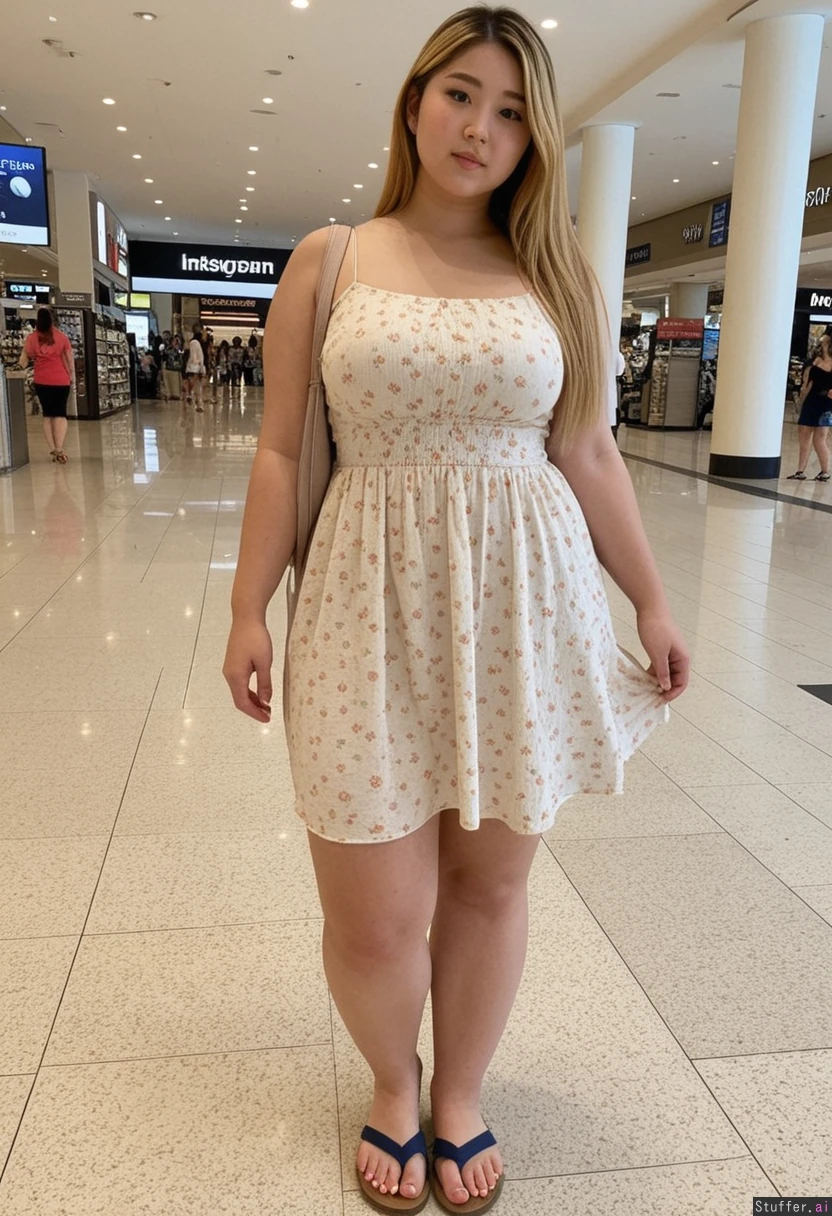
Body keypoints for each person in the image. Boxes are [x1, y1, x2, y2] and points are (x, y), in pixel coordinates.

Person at [222, 8, 690, 1214]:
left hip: (517, 610)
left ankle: (460, 1091)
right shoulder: (332, 259)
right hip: (362, 605)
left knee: (488, 884)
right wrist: (247, 608)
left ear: (537, 137)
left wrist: (649, 597)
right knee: (374, 915)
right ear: (415, 102)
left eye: (513, 109)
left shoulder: (557, 274)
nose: (481, 127)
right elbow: (281, 449)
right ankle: (395, 1078)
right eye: (461, 95)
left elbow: (586, 448)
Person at [19, 307, 75, 463]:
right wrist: (71, 376)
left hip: (42, 380)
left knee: (48, 414)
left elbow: (24, 358)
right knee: (60, 414)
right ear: (52, 321)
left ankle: (53, 449)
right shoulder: (62, 337)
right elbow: (69, 359)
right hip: (61, 380)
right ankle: (60, 447)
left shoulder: (32, 338)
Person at [787, 330, 832, 481]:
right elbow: (808, 384)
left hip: (825, 404)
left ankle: (824, 471)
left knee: (819, 439)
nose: (822, 341)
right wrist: (801, 401)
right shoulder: (816, 361)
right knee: (804, 437)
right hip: (812, 401)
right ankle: (800, 471)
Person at [186, 325, 206, 411]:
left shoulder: (196, 342)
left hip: (196, 367)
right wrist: (198, 365)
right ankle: (198, 403)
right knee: (198, 386)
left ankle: (194, 400)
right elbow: (194, 356)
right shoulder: (195, 342)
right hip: (195, 367)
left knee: (197, 386)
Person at [162, 334, 184, 401]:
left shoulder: (178, 350)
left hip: (176, 368)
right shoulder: (168, 349)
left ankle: (176, 394)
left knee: (176, 382)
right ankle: (169, 394)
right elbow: (165, 356)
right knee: (169, 381)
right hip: (169, 366)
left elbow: (180, 357)